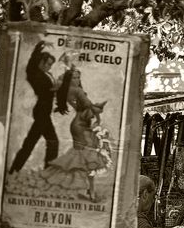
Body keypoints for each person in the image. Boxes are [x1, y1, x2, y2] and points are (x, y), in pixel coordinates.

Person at [41, 64, 110, 201]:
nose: (77, 80)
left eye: (79, 77)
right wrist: (99, 108)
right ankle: (88, 191)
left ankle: (86, 191)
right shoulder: (77, 91)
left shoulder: (66, 90)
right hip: (80, 127)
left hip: (79, 125)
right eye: (74, 77)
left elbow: (85, 108)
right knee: (85, 159)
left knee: (84, 160)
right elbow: (88, 106)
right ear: (69, 79)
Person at [10, 41, 59, 173]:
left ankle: (15, 169)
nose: (49, 66)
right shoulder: (34, 73)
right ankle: (47, 171)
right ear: (41, 62)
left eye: (51, 64)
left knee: (34, 142)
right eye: (48, 63)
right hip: (42, 111)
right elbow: (32, 63)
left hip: (44, 111)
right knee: (50, 141)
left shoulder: (46, 75)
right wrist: (39, 46)